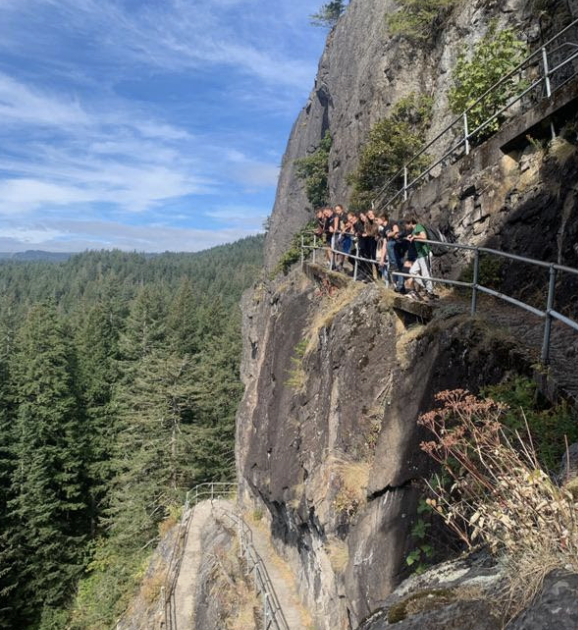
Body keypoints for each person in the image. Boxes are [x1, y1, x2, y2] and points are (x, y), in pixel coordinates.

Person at [406, 218, 438, 301]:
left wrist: (414, 236)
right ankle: (426, 288)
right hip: (420, 255)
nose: (405, 226)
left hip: (425, 254)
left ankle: (430, 292)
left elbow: (424, 237)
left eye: (406, 224)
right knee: (412, 271)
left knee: (425, 273)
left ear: (410, 223)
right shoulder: (414, 230)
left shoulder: (419, 226)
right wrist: (411, 236)